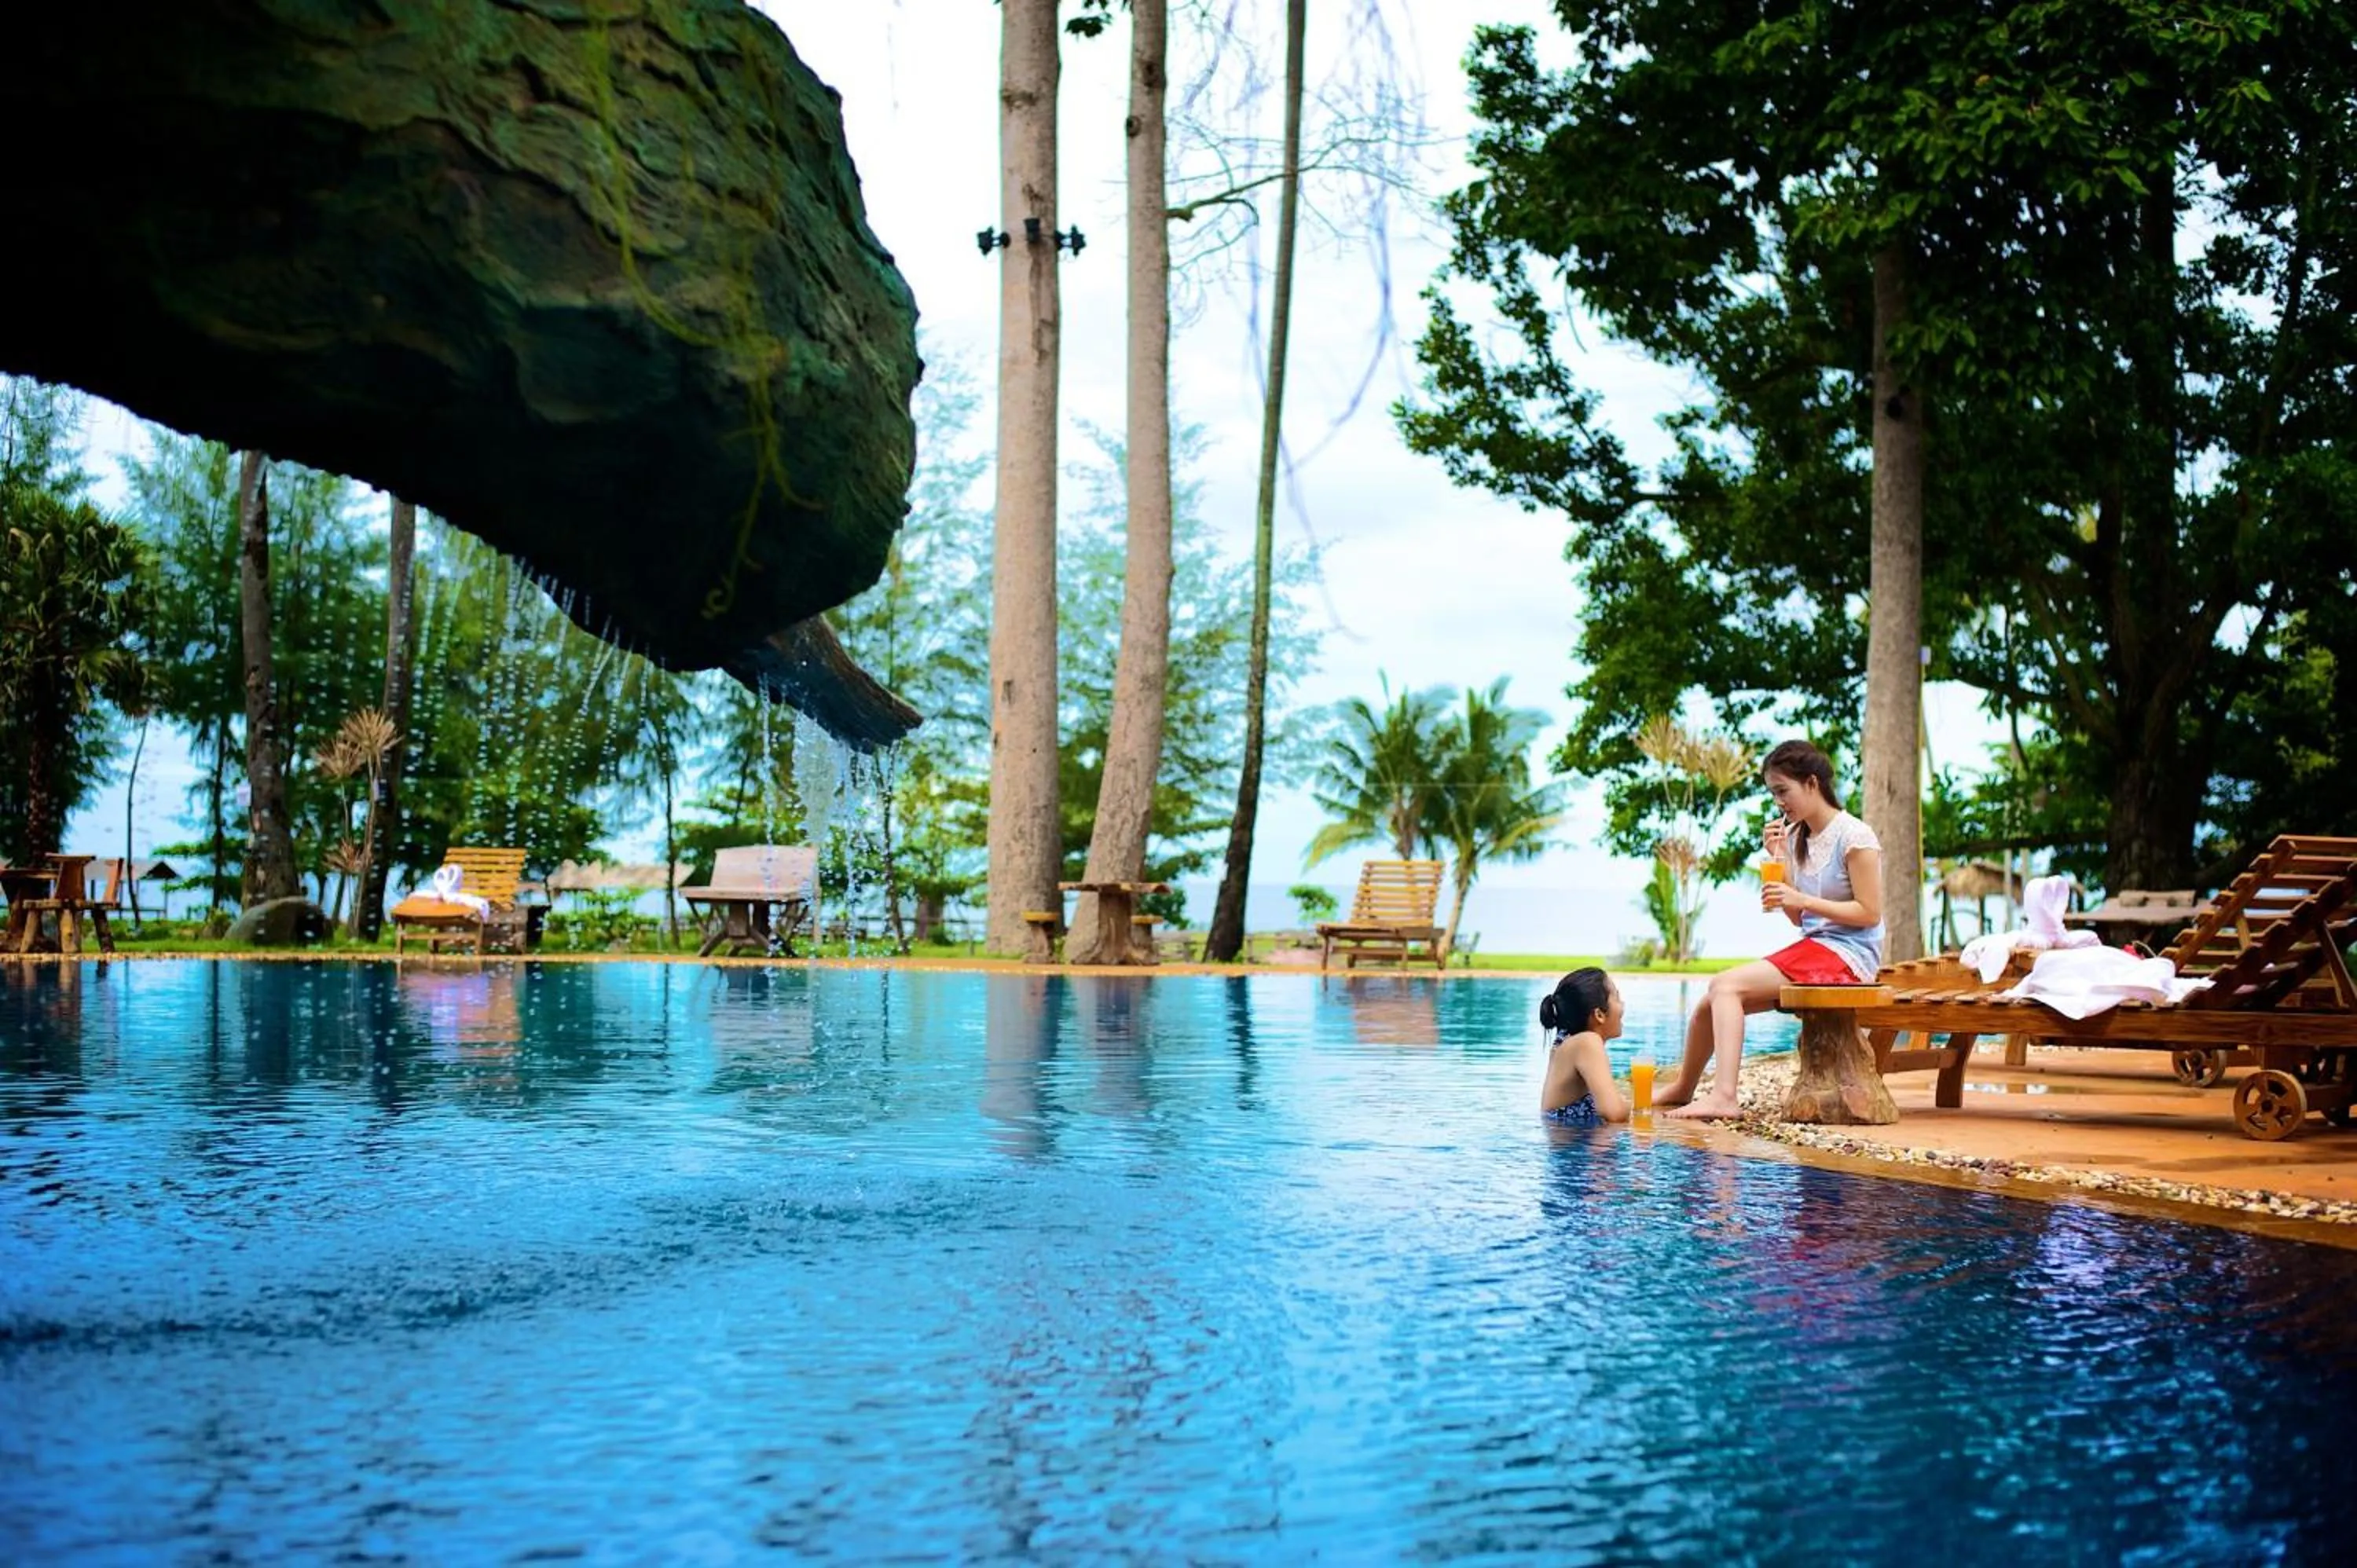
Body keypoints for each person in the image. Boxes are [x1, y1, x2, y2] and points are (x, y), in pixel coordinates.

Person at [1657, 739, 1885, 1119]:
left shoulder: (1855, 836)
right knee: (1708, 1003)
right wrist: (1779, 861)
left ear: (1812, 783)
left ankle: (1725, 1097)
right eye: (1773, 793)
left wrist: (1803, 901)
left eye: (1784, 790)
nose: (1779, 802)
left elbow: (1870, 913)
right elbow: (1799, 920)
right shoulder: (1797, 839)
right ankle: (1685, 1087)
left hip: (1850, 955)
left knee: (1725, 985)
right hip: (1817, 947)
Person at [1539, 966, 1631, 1126]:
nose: (1623, 1005)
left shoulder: (1565, 1043)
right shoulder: (1588, 1042)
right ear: (1599, 1015)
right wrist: (1630, 1105)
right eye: (1617, 997)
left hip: (1569, 1144)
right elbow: (1615, 1113)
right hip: (1577, 1146)